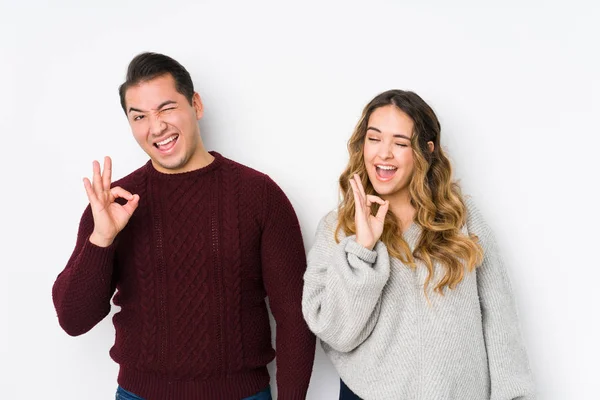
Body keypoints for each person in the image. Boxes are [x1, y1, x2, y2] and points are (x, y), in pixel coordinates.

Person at [52, 52, 315, 400]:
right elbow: (73, 320)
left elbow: (295, 315)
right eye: (140, 116)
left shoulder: (259, 195)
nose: (156, 126)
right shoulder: (112, 205)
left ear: (196, 104)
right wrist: (101, 239)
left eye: (166, 108)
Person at [302, 90, 535, 399]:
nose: (384, 154)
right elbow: (335, 332)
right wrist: (362, 248)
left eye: (400, 143)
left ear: (426, 151)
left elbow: (499, 320)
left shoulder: (462, 219)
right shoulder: (337, 229)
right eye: (374, 139)